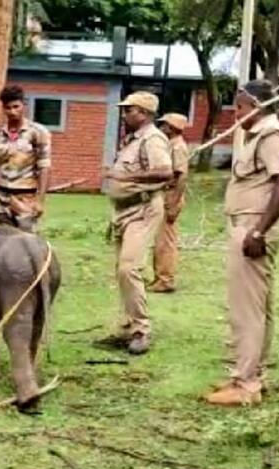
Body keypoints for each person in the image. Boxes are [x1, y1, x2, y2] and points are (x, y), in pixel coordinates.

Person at [206, 80, 279, 406]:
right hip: (248, 225)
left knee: (247, 310)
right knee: (258, 309)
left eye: (241, 107)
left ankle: (245, 384)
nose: (236, 113)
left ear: (257, 105)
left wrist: (257, 232)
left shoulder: (272, 135)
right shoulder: (255, 134)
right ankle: (252, 374)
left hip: (253, 227)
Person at [99, 91, 173, 355]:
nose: (124, 114)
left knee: (129, 269)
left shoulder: (153, 139)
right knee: (121, 270)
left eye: (129, 110)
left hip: (142, 209)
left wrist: (127, 177)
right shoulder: (132, 140)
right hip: (124, 211)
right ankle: (128, 326)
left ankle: (142, 330)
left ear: (143, 113)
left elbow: (166, 172)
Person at [0, 85, 51, 233]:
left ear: (24, 105)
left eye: (16, 106)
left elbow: (45, 167)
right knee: (2, 243)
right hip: (2, 199)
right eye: (8, 108)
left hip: (25, 198)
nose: (12, 112)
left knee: (26, 242)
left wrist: (40, 201)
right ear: (3, 108)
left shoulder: (38, 132)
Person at [150, 113, 190, 293]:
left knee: (165, 242)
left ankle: (165, 280)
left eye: (164, 125)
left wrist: (173, 203)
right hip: (165, 196)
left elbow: (182, 177)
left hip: (170, 197)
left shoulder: (178, 147)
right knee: (160, 240)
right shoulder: (170, 145)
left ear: (172, 128)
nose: (161, 128)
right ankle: (159, 277)